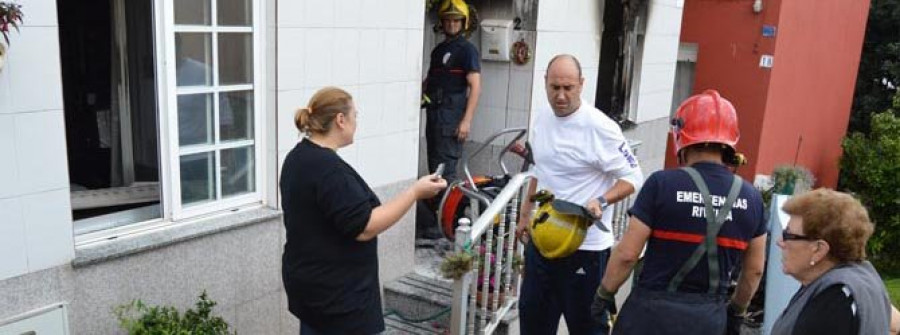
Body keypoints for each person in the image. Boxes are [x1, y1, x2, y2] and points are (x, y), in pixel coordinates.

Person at [592, 90, 767, 334]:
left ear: (681, 135)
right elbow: (755, 270)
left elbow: (627, 255)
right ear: (729, 142)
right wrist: (735, 312)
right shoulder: (752, 199)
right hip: (707, 320)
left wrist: (604, 294)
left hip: (650, 317)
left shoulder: (661, 185)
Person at [280, 87, 447, 334]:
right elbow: (364, 227)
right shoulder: (329, 170)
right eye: (355, 116)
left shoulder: (297, 157)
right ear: (340, 120)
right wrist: (414, 193)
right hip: (339, 299)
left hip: (310, 288)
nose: (356, 122)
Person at [515, 54, 643, 335]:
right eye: (554, 87)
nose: (560, 96)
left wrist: (602, 200)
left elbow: (634, 177)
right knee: (533, 323)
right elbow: (539, 169)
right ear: (545, 83)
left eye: (568, 88)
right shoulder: (542, 118)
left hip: (586, 251)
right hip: (543, 242)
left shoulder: (601, 127)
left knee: (587, 329)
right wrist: (525, 214)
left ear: (581, 85)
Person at [770, 188, 892, 335]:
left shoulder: (835, 302)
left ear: (819, 250)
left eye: (788, 235)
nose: (780, 242)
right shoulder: (861, 279)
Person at [422, 0, 481, 182]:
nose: (451, 24)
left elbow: (476, 86)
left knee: (445, 173)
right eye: (448, 20)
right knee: (433, 168)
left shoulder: (467, 50)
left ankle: (450, 210)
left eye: (456, 20)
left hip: (451, 121)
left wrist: (466, 121)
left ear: (464, 23)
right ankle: (437, 209)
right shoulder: (438, 51)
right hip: (434, 118)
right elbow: (430, 80)